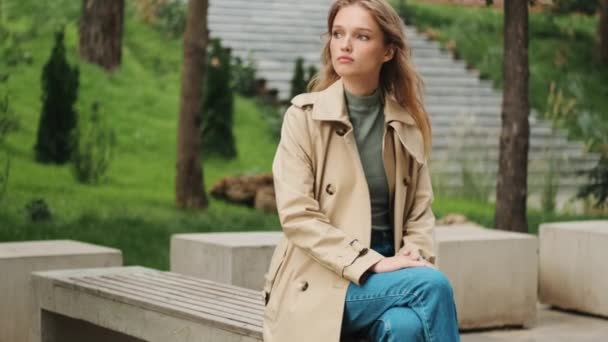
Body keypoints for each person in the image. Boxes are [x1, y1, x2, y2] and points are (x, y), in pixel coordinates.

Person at [262, 0, 460, 341]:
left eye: (362, 36)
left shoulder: (405, 123)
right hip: (321, 275)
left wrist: (414, 253)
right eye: (338, 34)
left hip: (392, 270)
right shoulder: (304, 118)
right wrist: (369, 262)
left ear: (388, 51)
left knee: (403, 328)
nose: (345, 45)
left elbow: (420, 211)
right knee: (432, 286)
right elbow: (298, 216)